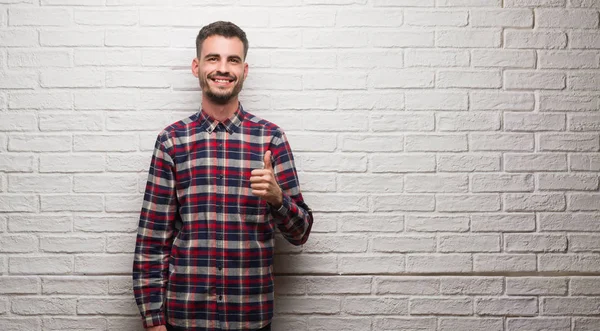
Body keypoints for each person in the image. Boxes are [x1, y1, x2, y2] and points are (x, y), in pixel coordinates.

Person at [132, 21, 313, 331]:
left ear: (244, 70)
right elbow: (152, 240)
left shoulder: (271, 139)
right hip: (185, 317)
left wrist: (277, 199)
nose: (222, 68)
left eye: (232, 60)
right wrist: (153, 320)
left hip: (249, 317)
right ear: (196, 66)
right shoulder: (172, 141)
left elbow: (300, 234)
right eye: (213, 58)